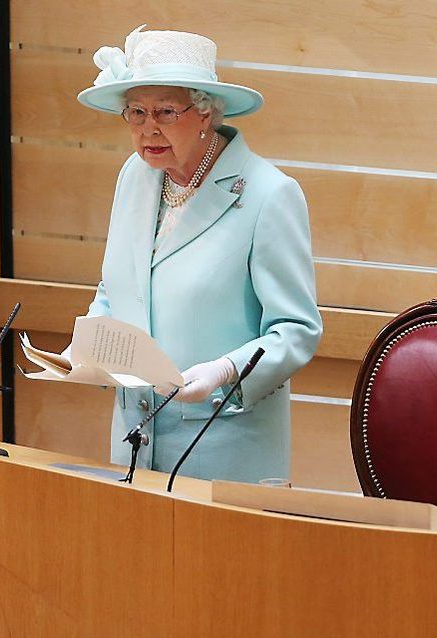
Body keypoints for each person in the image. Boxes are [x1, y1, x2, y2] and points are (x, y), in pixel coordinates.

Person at [74, 25, 322, 482]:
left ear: (205, 111)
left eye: (165, 111)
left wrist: (225, 370)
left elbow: (297, 331)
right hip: (133, 440)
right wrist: (89, 343)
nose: (148, 127)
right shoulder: (135, 175)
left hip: (221, 448)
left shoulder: (270, 194)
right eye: (135, 112)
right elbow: (117, 284)